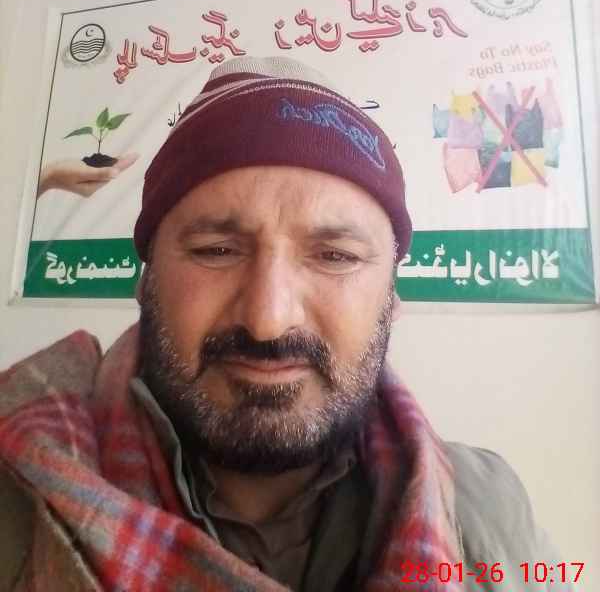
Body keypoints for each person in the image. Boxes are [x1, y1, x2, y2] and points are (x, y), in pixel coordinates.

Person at [0, 56, 571, 591]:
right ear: (146, 282)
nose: (268, 320)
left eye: (335, 256)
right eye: (216, 250)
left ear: (392, 297)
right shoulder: (16, 486)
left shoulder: (486, 508)